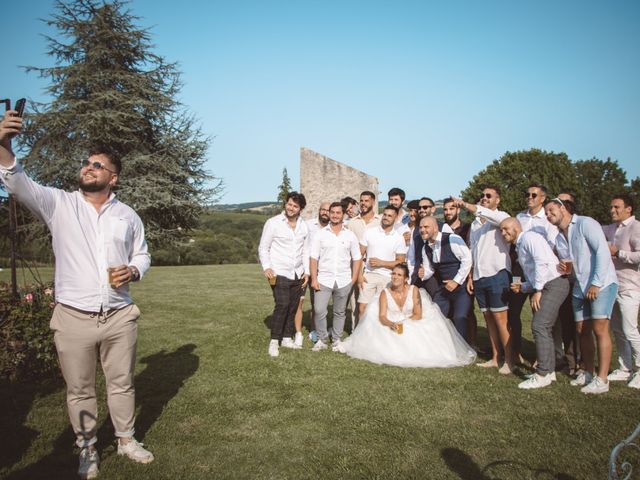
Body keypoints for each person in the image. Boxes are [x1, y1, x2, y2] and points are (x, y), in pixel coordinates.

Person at [0, 110, 153, 478]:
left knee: (121, 383)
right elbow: (17, 182)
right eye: (87, 163)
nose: (88, 168)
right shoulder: (59, 204)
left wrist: (133, 270)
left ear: (112, 178)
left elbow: (142, 253)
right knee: (80, 389)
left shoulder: (128, 215)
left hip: (119, 315)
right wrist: (3, 143)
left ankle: (126, 439)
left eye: (97, 165)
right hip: (73, 316)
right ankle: (87, 448)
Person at [338, 263, 476, 367]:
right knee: (384, 331)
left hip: (411, 320)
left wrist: (404, 322)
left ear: (405, 278)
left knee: (417, 332)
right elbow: (382, 316)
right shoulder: (385, 293)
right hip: (392, 321)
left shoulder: (414, 290)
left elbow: (418, 314)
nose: (395, 277)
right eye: (393, 274)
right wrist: (390, 323)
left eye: (399, 275)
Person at [546, 197, 618, 394]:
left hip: (600, 283)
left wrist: (596, 282)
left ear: (562, 208)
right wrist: (563, 267)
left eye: (551, 211)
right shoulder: (559, 237)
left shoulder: (586, 223)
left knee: (600, 329)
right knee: (581, 330)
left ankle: (602, 380)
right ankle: (588, 371)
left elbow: (603, 252)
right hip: (579, 286)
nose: (548, 215)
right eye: (546, 214)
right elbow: (569, 263)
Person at [500, 218, 569, 389]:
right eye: (501, 230)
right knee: (544, 327)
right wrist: (523, 287)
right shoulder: (520, 245)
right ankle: (549, 371)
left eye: (506, 229)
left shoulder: (530, 238)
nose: (503, 233)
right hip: (547, 284)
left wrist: (537, 290)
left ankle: (543, 373)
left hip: (554, 284)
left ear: (517, 227)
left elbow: (542, 263)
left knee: (540, 325)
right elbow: (535, 273)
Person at [452, 187, 514, 374]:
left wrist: (464, 204)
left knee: (501, 319)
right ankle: (495, 358)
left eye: (489, 196)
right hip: (479, 276)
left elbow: (486, 213)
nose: (484, 198)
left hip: (497, 273)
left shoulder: (501, 217)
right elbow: (472, 252)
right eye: (483, 196)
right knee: (488, 319)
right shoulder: (476, 225)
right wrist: (471, 276)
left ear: (498, 200)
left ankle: (509, 361)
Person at [510, 184, 559, 365]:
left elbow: (551, 248)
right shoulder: (519, 217)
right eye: (527, 194)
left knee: (538, 311)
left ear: (542, 198)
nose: (529, 197)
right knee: (513, 310)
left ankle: (542, 357)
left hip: (539, 271)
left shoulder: (547, 220)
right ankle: (515, 352)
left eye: (533, 194)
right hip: (518, 269)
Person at [258, 191, 310, 357]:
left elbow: (306, 251)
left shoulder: (304, 226)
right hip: (278, 272)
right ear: (285, 204)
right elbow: (263, 247)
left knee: (293, 307)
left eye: (295, 206)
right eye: (289, 204)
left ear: (300, 208)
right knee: (282, 304)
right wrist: (266, 267)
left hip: (298, 273)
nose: (291, 208)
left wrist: (307, 272)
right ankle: (274, 341)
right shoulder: (273, 223)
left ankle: (287, 338)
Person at [309, 202, 362, 351]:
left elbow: (357, 258)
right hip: (323, 279)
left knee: (339, 312)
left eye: (338, 213)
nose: (335, 215)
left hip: (344, 279)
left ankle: (337, 340)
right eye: (332, 212)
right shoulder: (320, 234)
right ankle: (322, 339)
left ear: (343, 214)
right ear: (329, 213)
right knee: (319, 310)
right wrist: (314, 278)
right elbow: (314, 258)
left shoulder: (350, 235)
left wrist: (353, 278)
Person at [602, 194, 640, 388]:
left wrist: (619, 253)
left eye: (616, 207)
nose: (612, 211)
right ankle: (625, 368)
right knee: (617, 330)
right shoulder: (610, 228)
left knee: (630, 329)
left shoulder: (636, 227)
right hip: (612, 286)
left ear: (629, 209)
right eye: (611, 207)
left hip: (631, 286)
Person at [418, 216, 472, 340]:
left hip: (461, 287)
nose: (422, 230)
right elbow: (429, 269)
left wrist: (456, 281)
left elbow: (467, 259)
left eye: (426, 227)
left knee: (460, 317)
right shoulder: (425, 247)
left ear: (436, 228)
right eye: (420, 227)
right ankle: (439, 345)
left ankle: (463, 349)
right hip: (444, 288)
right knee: (435, 315)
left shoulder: (452, 238)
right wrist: (423, 273)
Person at [358, 205, 407, 317]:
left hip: (388, 277)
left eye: (390, 216)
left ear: (395, 219)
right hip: (369, 275)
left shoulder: (398, 238)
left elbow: (401, 262)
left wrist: (382, 263)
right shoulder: (369, 232)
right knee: (363, 308)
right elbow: (359, 255)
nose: (386, 217)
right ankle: (363, 333)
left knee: (383, 310)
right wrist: (359, 275)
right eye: (384, 214)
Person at [443, 197, 477, 348]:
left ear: (458, 210)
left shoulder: (467, 228)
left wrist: (469, 276)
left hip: (465, 276)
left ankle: (472, 342)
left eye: (451, 208)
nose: (448, 212)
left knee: (467, 312)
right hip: (447, 276)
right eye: (445, 209)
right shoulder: (441, 228)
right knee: (450, 311)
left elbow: (470, 253)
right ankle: (453, 343)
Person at [300, 201, 330, 344]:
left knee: (318, 303)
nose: (325, 212)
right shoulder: (308, 225)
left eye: (328, 210)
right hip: (307, 268)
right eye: (323, 209)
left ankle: (320, 329)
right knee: (308, 301)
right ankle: (313, 330)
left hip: (325, 270)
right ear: (319, 210)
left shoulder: (334, 227)